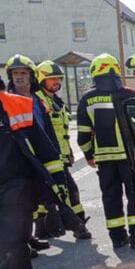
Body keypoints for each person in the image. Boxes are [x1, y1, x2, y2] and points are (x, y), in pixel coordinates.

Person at [1, 72, 72, 269]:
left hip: (12, 188)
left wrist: (59, 186)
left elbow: (45, 149)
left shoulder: (16, 106)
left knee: (11, 249)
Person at [76, 54, 135, 250]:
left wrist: (89, 154)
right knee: (134, 195)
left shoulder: (87, 99)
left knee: (110, 197)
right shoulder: (129, 93)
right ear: (116, 71)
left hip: (104, 159)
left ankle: (117, 237)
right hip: (129, 157)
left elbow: (82, 134)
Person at [34, 61, 92, 240]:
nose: (56, 82)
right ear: (41, 79)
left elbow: (62, 132)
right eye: (52, 79)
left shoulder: (54, 100)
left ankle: (42, 230)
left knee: (49, 193)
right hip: (47, 156)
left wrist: (69, 154)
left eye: (58, 79)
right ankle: (78, 225)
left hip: (60, 156)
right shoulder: (37, 100)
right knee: (68, 190)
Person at [6, 55, 57, 254]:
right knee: (17, 205)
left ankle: (29, 236)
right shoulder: (7, 100)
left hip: (40, 156)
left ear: (31, 76)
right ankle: (23, 243)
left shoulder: (37, 100)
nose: (19, 77)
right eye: (15, 73)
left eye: (23, 73)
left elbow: (48, 131)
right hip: (19, 160)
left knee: (31, 202)